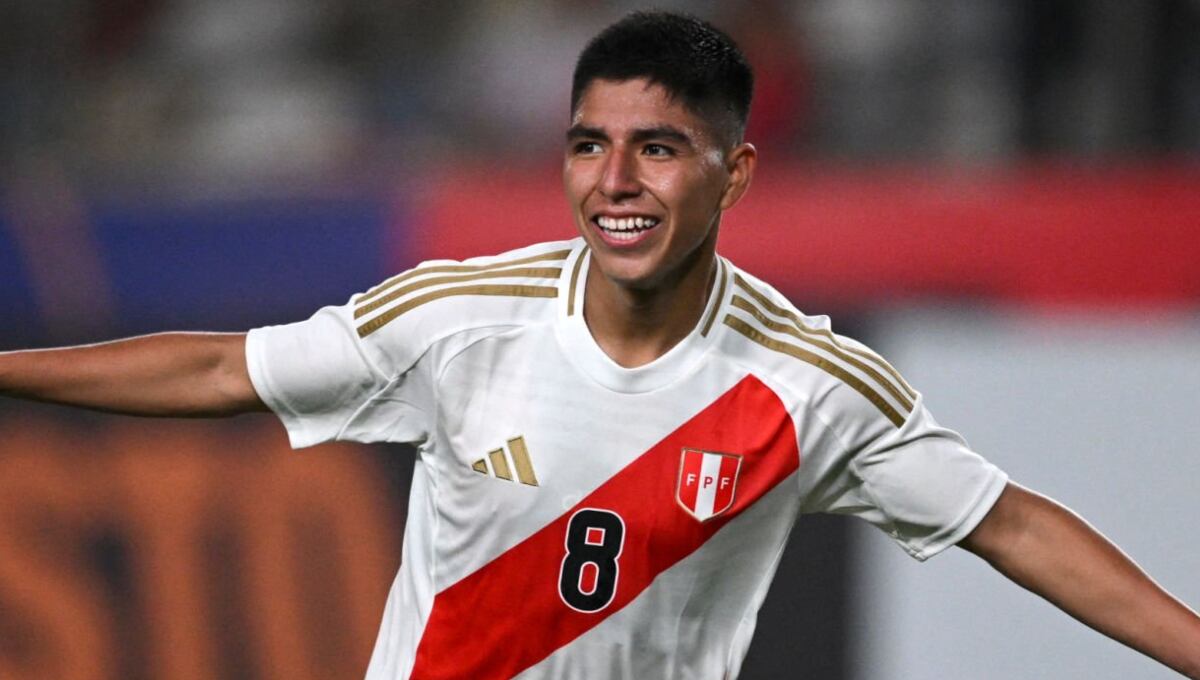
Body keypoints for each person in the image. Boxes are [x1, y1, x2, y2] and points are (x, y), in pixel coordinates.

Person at [1, 11, 1198, 680]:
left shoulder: (806, 385)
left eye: (658, 149)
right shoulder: (460, 320)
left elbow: (1014, 522)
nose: (614, 183)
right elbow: (223, 367)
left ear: (735, 172)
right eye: (588, 145)